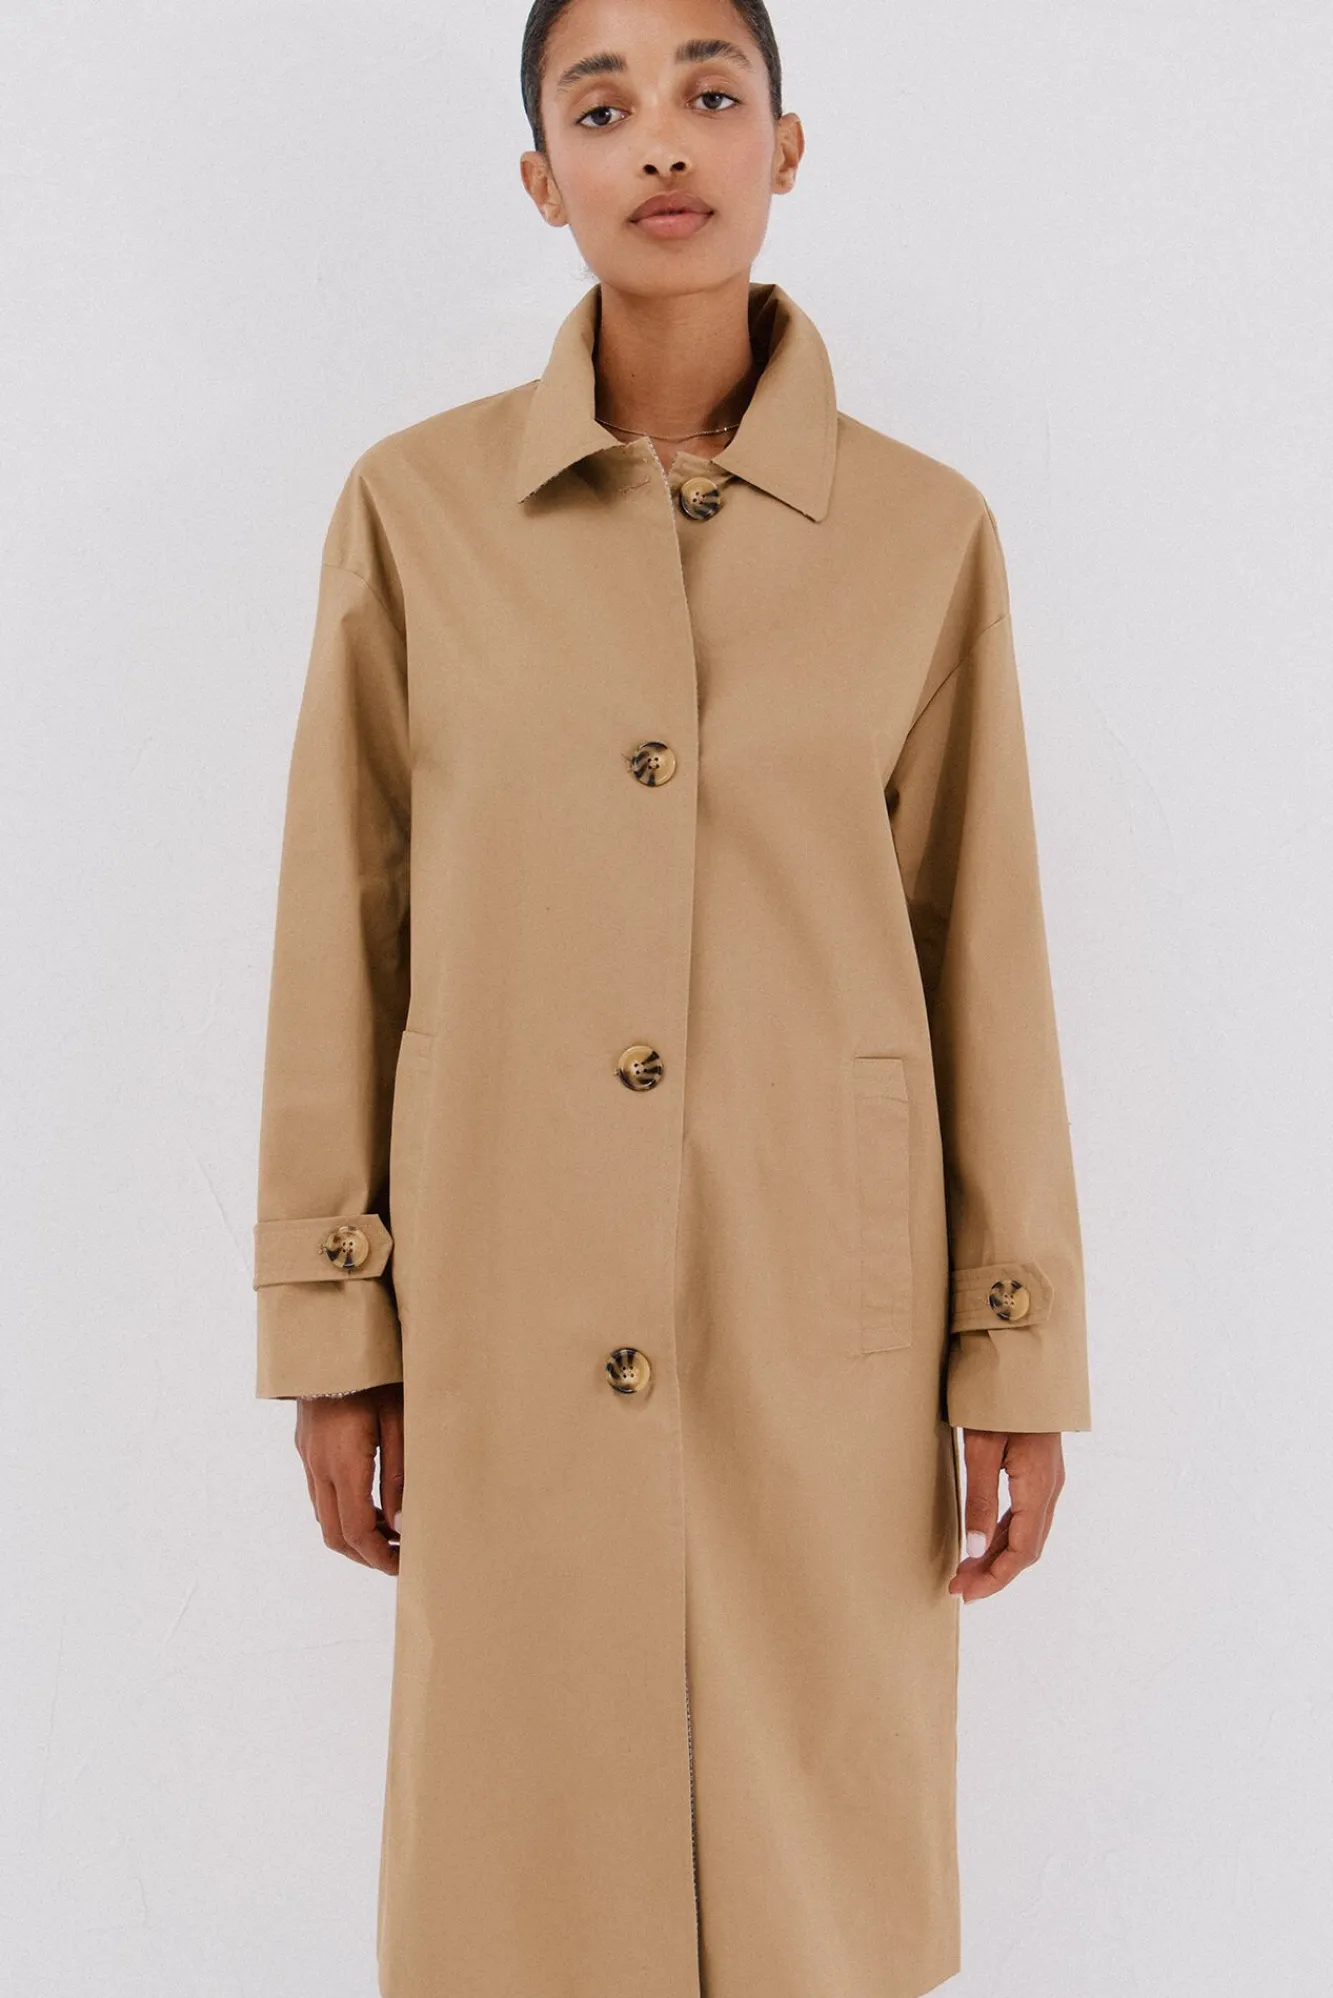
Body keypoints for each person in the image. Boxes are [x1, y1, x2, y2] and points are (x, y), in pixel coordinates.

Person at [251, 2, 1093, 1993]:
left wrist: (1017, 1343)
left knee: (821, 1882)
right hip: (506, 1305)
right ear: (541, 176)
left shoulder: (924, 534)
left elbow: (982, 948)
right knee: (522, 1887)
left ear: (784, 146)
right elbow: (342, 925)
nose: (663, 141)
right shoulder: (417, 514)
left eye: (713, 92)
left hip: (822, 1328)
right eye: (601, 103)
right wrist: (330, 1322)